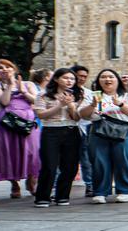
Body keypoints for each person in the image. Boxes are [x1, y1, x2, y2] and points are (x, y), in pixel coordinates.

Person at [0, 59, 41, 198]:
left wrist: (22, 91)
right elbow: (4, 102)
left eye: (8, 67)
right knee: (10, 153)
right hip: (6, 122)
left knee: (32, 152)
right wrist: (10, 85)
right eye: (0, 68)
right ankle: (14, 183)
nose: (4, 69)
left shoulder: (28, 83)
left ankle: (32, 180)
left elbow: (36, 100)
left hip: (27, 121)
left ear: (14, 69)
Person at [32, 67, 91, 207]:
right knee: (49, 165)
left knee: (70, 166)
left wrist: (71, 106)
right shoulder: (43, 95)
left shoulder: (78, 95)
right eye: (66, 78)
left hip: (71, 130)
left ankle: (62, 196)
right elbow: (41, 115)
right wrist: (60, 105)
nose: (69, 81)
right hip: (51, 131)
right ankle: (43, 197)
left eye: (72, 79)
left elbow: (77, 118)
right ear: (57, 79)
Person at [87, 69, 128, 203]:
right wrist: (93, 104)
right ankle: (100, 192)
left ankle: (126, 191)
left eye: (111, 77)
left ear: (117, 80)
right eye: (103, 77)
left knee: (124, 160)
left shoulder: (127, 96)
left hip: (124, 130)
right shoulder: (94, 96)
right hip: (99, 131)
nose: (107, 79)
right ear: (98, 81)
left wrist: (120, 104)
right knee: (99, 161)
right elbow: (83, 115)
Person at [69, 64, 93, 198]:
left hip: (85, 128)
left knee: (86, 159)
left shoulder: (88, 92)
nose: (82, 79)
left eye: (85, 76)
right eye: (80, 76)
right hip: (67, 128)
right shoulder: (65, 91)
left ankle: (89, 185)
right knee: (65, 160)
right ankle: (59, 187)